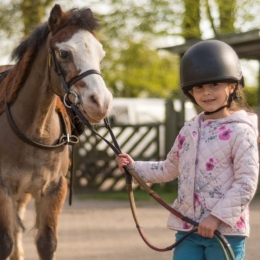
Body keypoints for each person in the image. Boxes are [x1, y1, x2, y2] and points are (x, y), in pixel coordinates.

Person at [116, 40, 259, 260]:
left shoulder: (242, 132)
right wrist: (134, 167)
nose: (207, 93)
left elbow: (246, 183)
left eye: (214, 85)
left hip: (226, 231)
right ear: (191, 92)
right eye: (199, 87)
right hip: (189, 229)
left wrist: (216, 218)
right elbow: (168, 168)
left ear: (231, 87)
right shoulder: (189, 130)